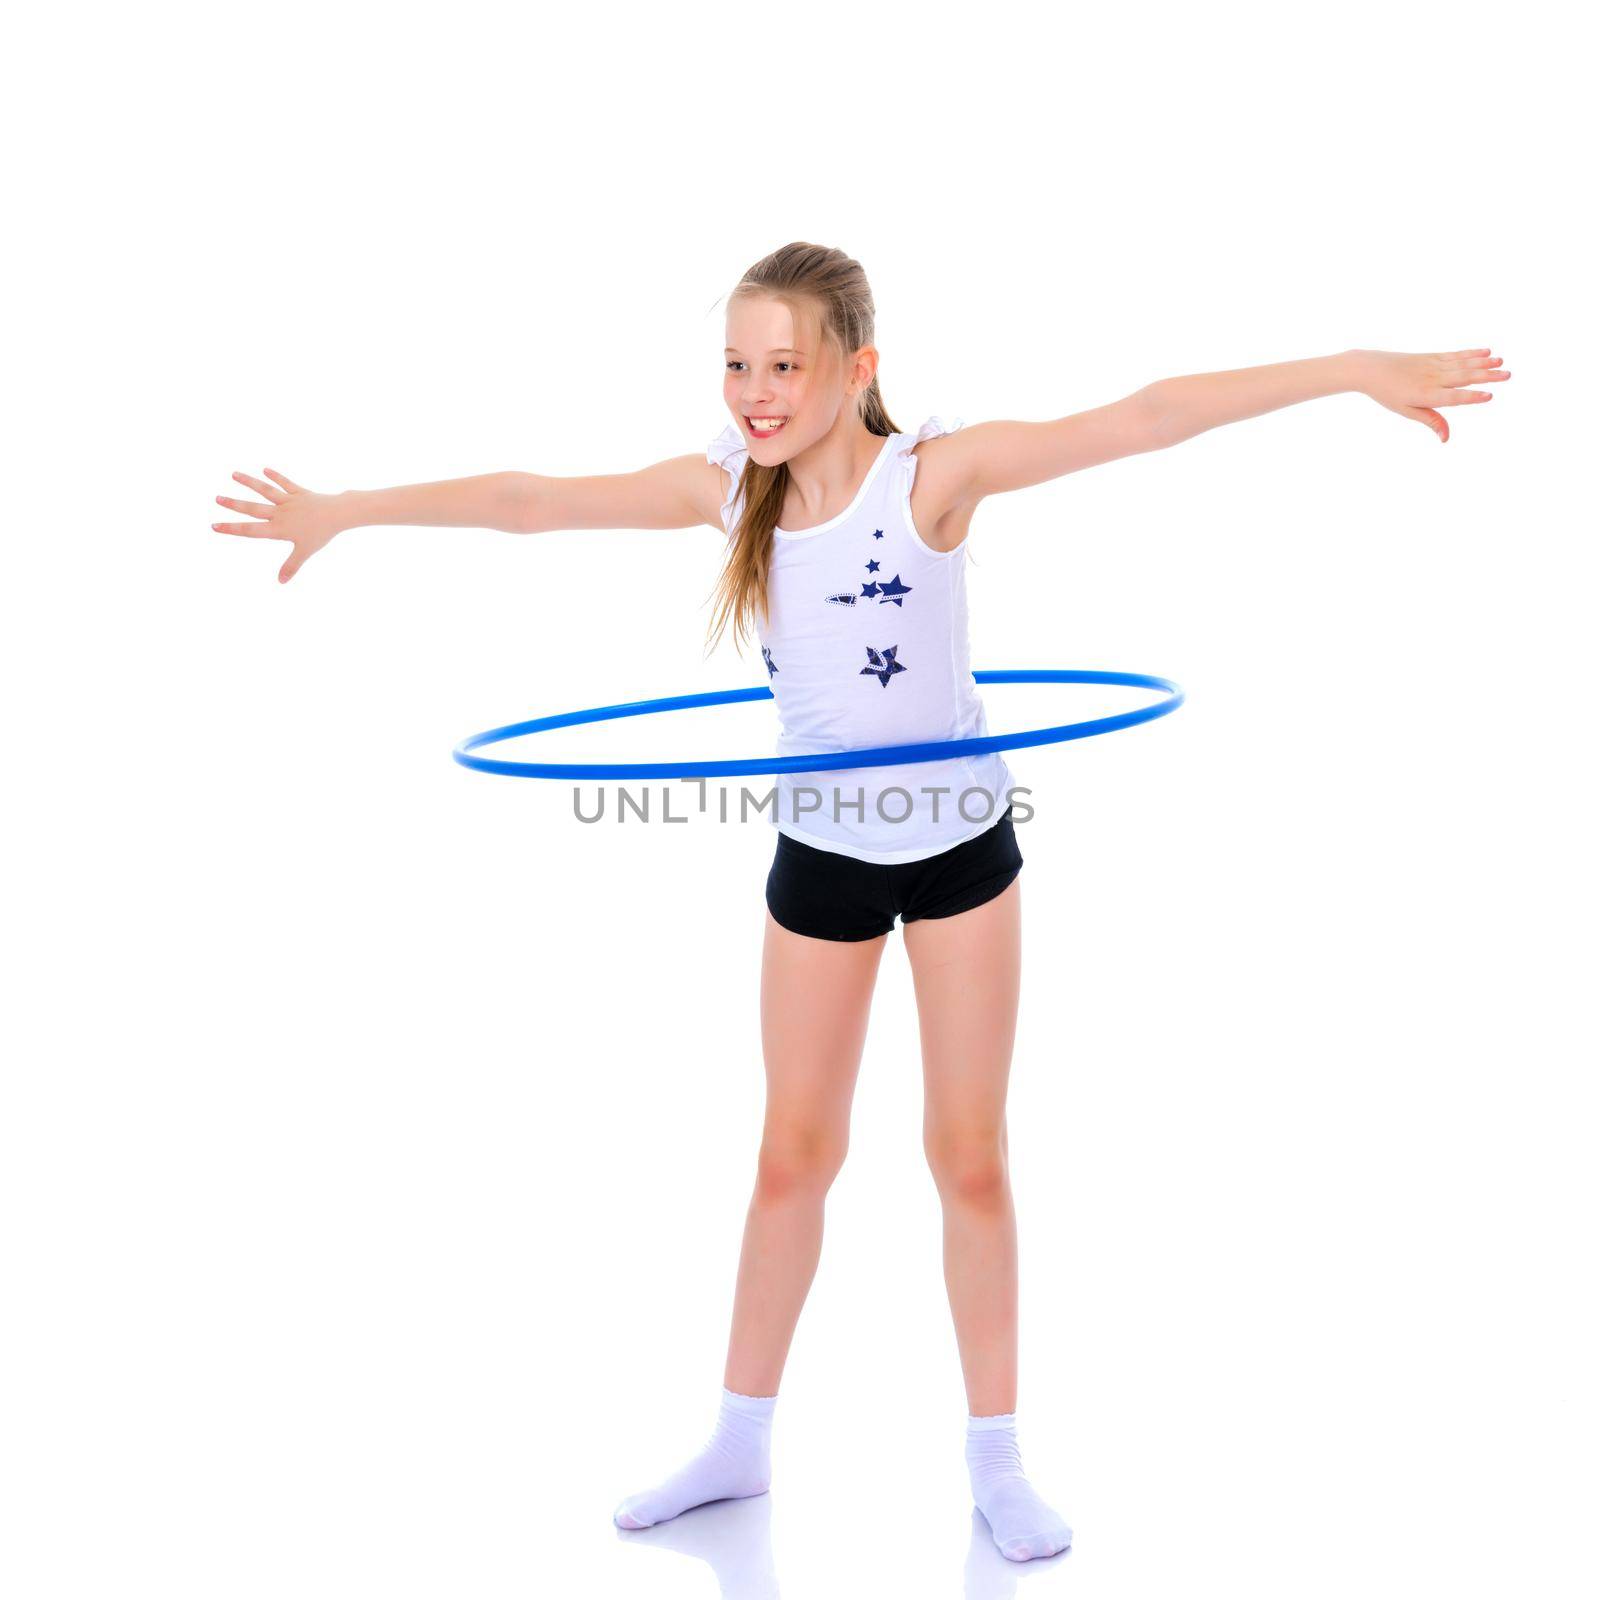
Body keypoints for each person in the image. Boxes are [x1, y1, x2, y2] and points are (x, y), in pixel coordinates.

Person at [211, 240, 1508, 1563]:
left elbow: (1148, 415)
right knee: (793, 1155)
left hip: (957, 854)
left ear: (857, 368)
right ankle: (736, 1441)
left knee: (970, 1157)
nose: (754, 392)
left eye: (784, 365)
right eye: (735, 364)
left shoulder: (931, 479)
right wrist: (347, 507)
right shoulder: (728, 491)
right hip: (822, 856)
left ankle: (997, 1461)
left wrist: (1354, 370)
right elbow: (530, 500)